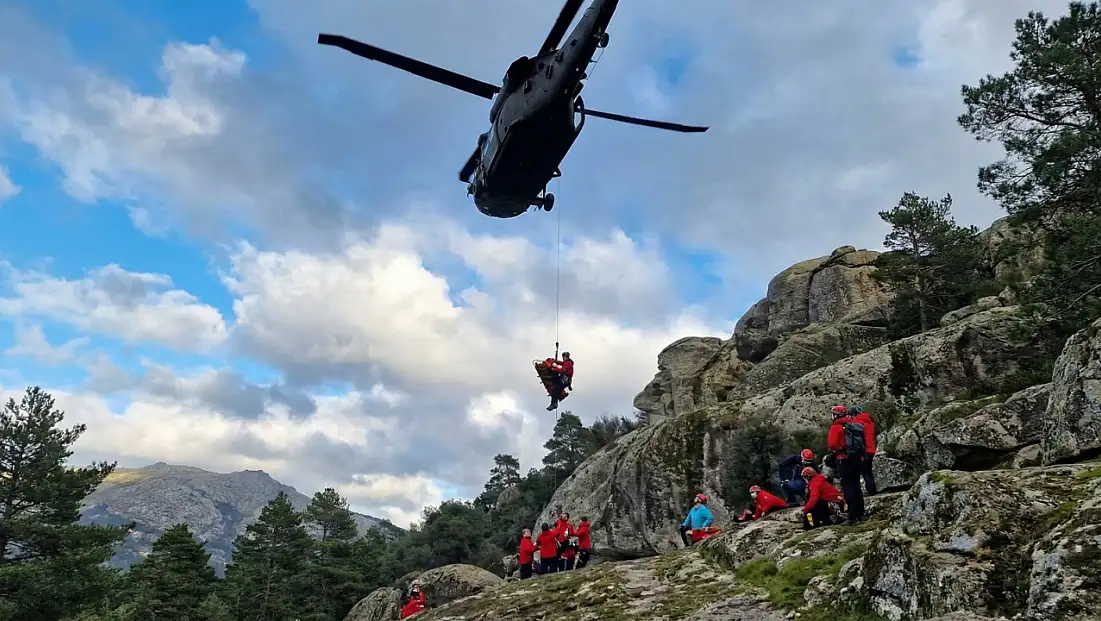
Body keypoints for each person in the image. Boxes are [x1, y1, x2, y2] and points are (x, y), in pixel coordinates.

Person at [827, 404, 866, 524]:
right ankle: (860, 514)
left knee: (848, 488)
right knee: (856, 486)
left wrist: (840, 449)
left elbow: (832, 444)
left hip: (844, 460)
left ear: (835, 415)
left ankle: (852, 516)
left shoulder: (836, 426)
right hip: (856, 459)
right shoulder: (853, 424)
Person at [800, 466, 844, 531]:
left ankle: (813, 526)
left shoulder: (815, 483)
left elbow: (814, 499)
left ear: (807, 477)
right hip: (838, 504)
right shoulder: (819, 480)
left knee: (814, 507)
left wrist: (805, 509)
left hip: (835, 506)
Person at [849, 405, 878, 496]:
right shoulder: (870, 422)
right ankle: (872, 489)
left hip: (864, 451)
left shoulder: (856, 423)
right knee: (868, 471)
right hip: (872, 449)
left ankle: (871, 490)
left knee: (864, 471)